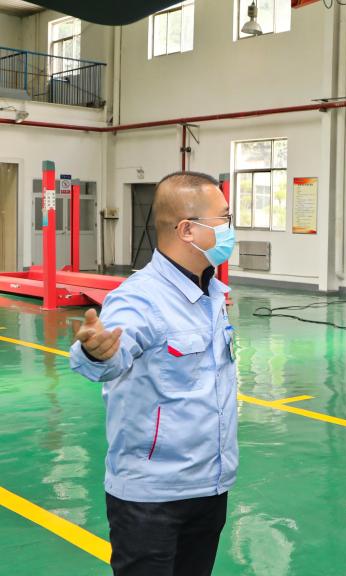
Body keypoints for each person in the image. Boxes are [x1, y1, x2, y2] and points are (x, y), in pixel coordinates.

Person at [69, 171, 238, 576]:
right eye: (223, 219)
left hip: (209, 486)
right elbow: (111, 353)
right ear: (187, 230)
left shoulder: (210, 293)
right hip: (152, 500)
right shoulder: (139, 298)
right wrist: (96, 351)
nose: (230, 229)